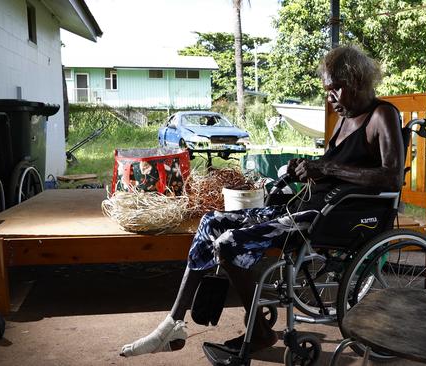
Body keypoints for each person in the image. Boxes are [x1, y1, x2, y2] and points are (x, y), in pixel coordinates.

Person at [119, 45, 404, 357]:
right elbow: (335, 171)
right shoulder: (342, 120)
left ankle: (258, 330)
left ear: (358, 81)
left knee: (228, 243)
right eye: (327, 90)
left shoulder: (381, 115)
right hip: (306, 208)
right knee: (212, 221)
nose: (330, 97)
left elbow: (390, 177)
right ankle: (173, 323)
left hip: (338, 217)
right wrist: (307, 169)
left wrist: (327, 168)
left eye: (336, 88)